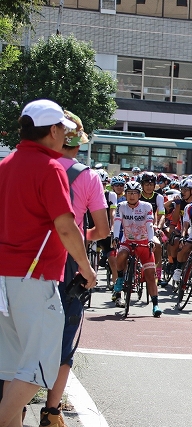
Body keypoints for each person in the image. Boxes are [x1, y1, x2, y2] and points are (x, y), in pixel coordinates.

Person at [0, 99, 97, 427]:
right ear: (53, 130)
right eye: (64, 129)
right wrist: (85, 266)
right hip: (34, 278)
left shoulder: (6, 164)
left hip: (4, 279)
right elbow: (66, 226)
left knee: (13, 368)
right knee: (40, 368)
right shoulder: (51, 168)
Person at [39, 111, 110, 426]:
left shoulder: (34, 168)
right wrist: (81, 238)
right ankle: (52, 411)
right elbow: (103, 229)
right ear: (76, 143)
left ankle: (16, 403)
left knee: (23, 332)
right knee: (66, 334)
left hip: (28, 258)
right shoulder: (89, 176)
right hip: (70, 261)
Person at [112, 181, 163, 317]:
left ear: (139, 195)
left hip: (144, 241)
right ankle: (120, 278)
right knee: (121, 254)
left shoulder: (146, 206)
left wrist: (151, 240)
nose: (132, 196)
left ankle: (155, 305)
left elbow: (149, 225)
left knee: (150, 275)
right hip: (128, 241)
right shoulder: (121, 206)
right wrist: (116, 237)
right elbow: (117, 223)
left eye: (134, 193)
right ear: (125, 194)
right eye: (129, 193)